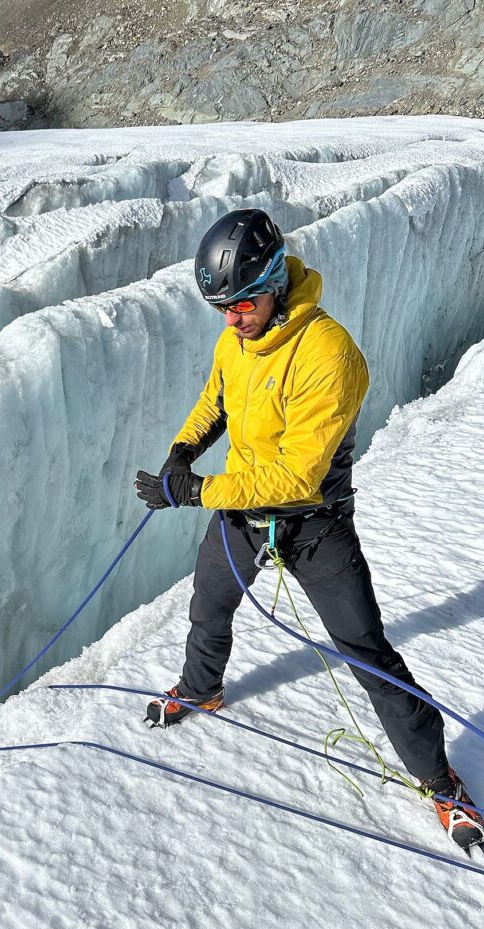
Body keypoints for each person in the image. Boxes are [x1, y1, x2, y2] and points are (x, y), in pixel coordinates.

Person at [134, 208, 484, 851]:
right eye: (222, 309)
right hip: (242, 515)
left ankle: (441, 782)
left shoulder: (330, 355)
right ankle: (202, 689)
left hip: (315, 527)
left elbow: (297, 475)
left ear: (274, 280)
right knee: (209, 605)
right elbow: (217, 398)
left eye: (242, 304)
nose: (232, 319)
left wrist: (197, 490)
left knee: (367, 653)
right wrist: (184, 450)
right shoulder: (236, 339)